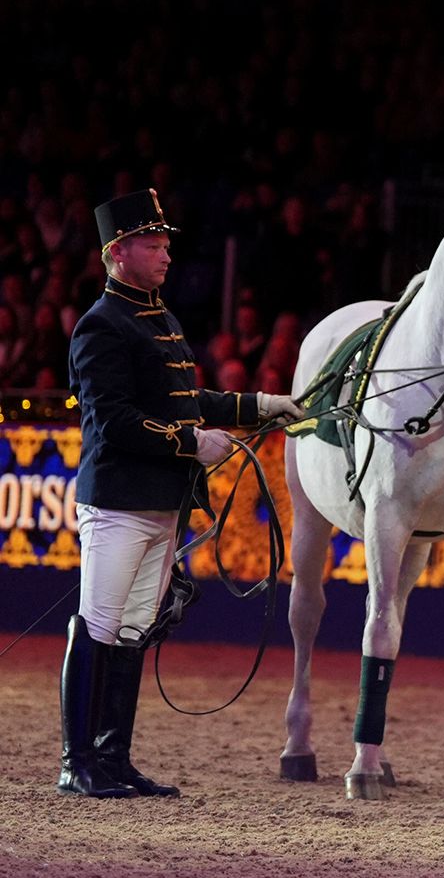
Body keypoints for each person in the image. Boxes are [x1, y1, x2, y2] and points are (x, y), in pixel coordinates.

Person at [62, 190, 304, 798]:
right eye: (153, 244)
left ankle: (112, 759)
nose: (167, 253)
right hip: (118, 500)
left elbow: (188, 403)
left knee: (132, 630)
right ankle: (77, 762)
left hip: (160, 503)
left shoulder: (159, 318)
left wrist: (260, 406)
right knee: (98, 624)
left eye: (166, 242)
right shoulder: (101, 325)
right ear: (118, 254)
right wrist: (191, 445)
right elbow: (112, 420)